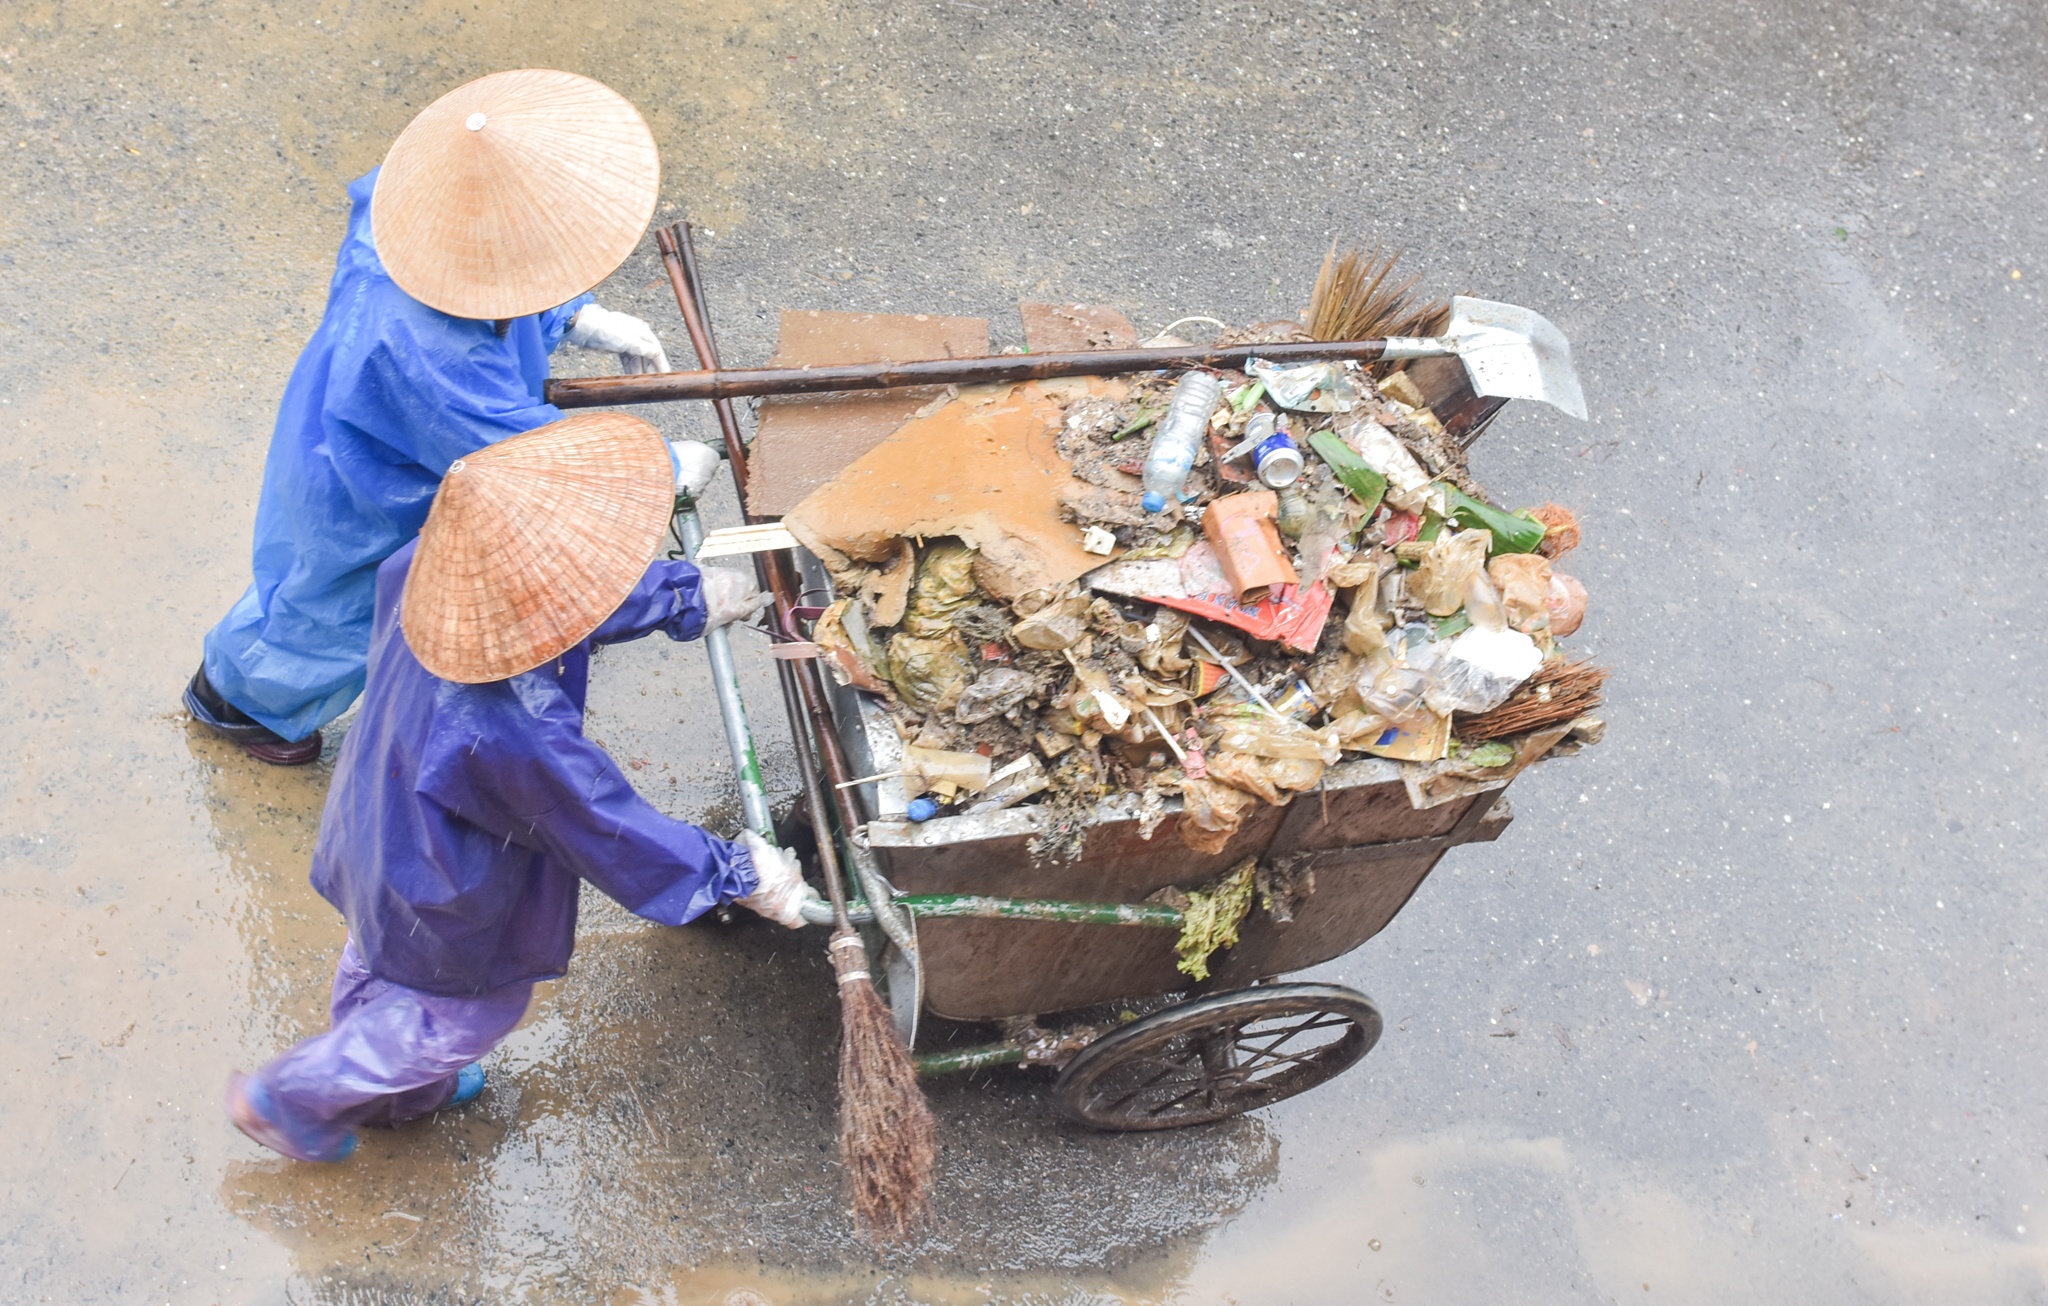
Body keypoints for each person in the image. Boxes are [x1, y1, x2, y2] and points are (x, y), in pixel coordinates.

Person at [226, 413, 818, 1162]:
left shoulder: (426, 564)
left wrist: (678, 596)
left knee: (378, 955)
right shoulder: (506, 725)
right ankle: (293, 1096)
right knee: (459, 1015)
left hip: (376, 814)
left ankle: (397, 1097)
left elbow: (559, 592)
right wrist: (730, 873)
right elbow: (594, 818)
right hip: (447, 879)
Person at [188, 68, 677, 764]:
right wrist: (659, 468)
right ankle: (240, 703)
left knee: (314, 574)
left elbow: (507, 256)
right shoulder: (424, 346)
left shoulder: (427, 198)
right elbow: (521, 454)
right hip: (380, 466)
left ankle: (250, 685)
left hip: (359, 413)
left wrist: (572, 314)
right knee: (341, 592)